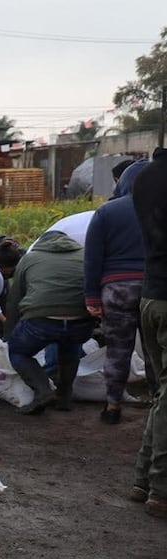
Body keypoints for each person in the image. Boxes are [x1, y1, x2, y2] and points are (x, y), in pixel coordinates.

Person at [84, 160, 150, 424]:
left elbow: (92, 259)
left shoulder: (106, 212)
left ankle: (112, 406)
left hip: (116, 290)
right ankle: (159, 404)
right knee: (155, 350)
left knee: (117, 350)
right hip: (154, 288)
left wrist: (91, 297)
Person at [5, 230, 95, 415]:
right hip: (80, 320)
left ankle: (43, 391)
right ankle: (64, 398)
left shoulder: (30, 259)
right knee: (70, 352)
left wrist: (9, 333)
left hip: (41, 320)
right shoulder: (85, 256)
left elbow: (14, 300)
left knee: (19, 352)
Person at [131, 150, 167, 517]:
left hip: (152, 297)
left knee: (163, 393)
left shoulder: (144, 176)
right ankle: (161, 487)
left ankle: (144, 481)